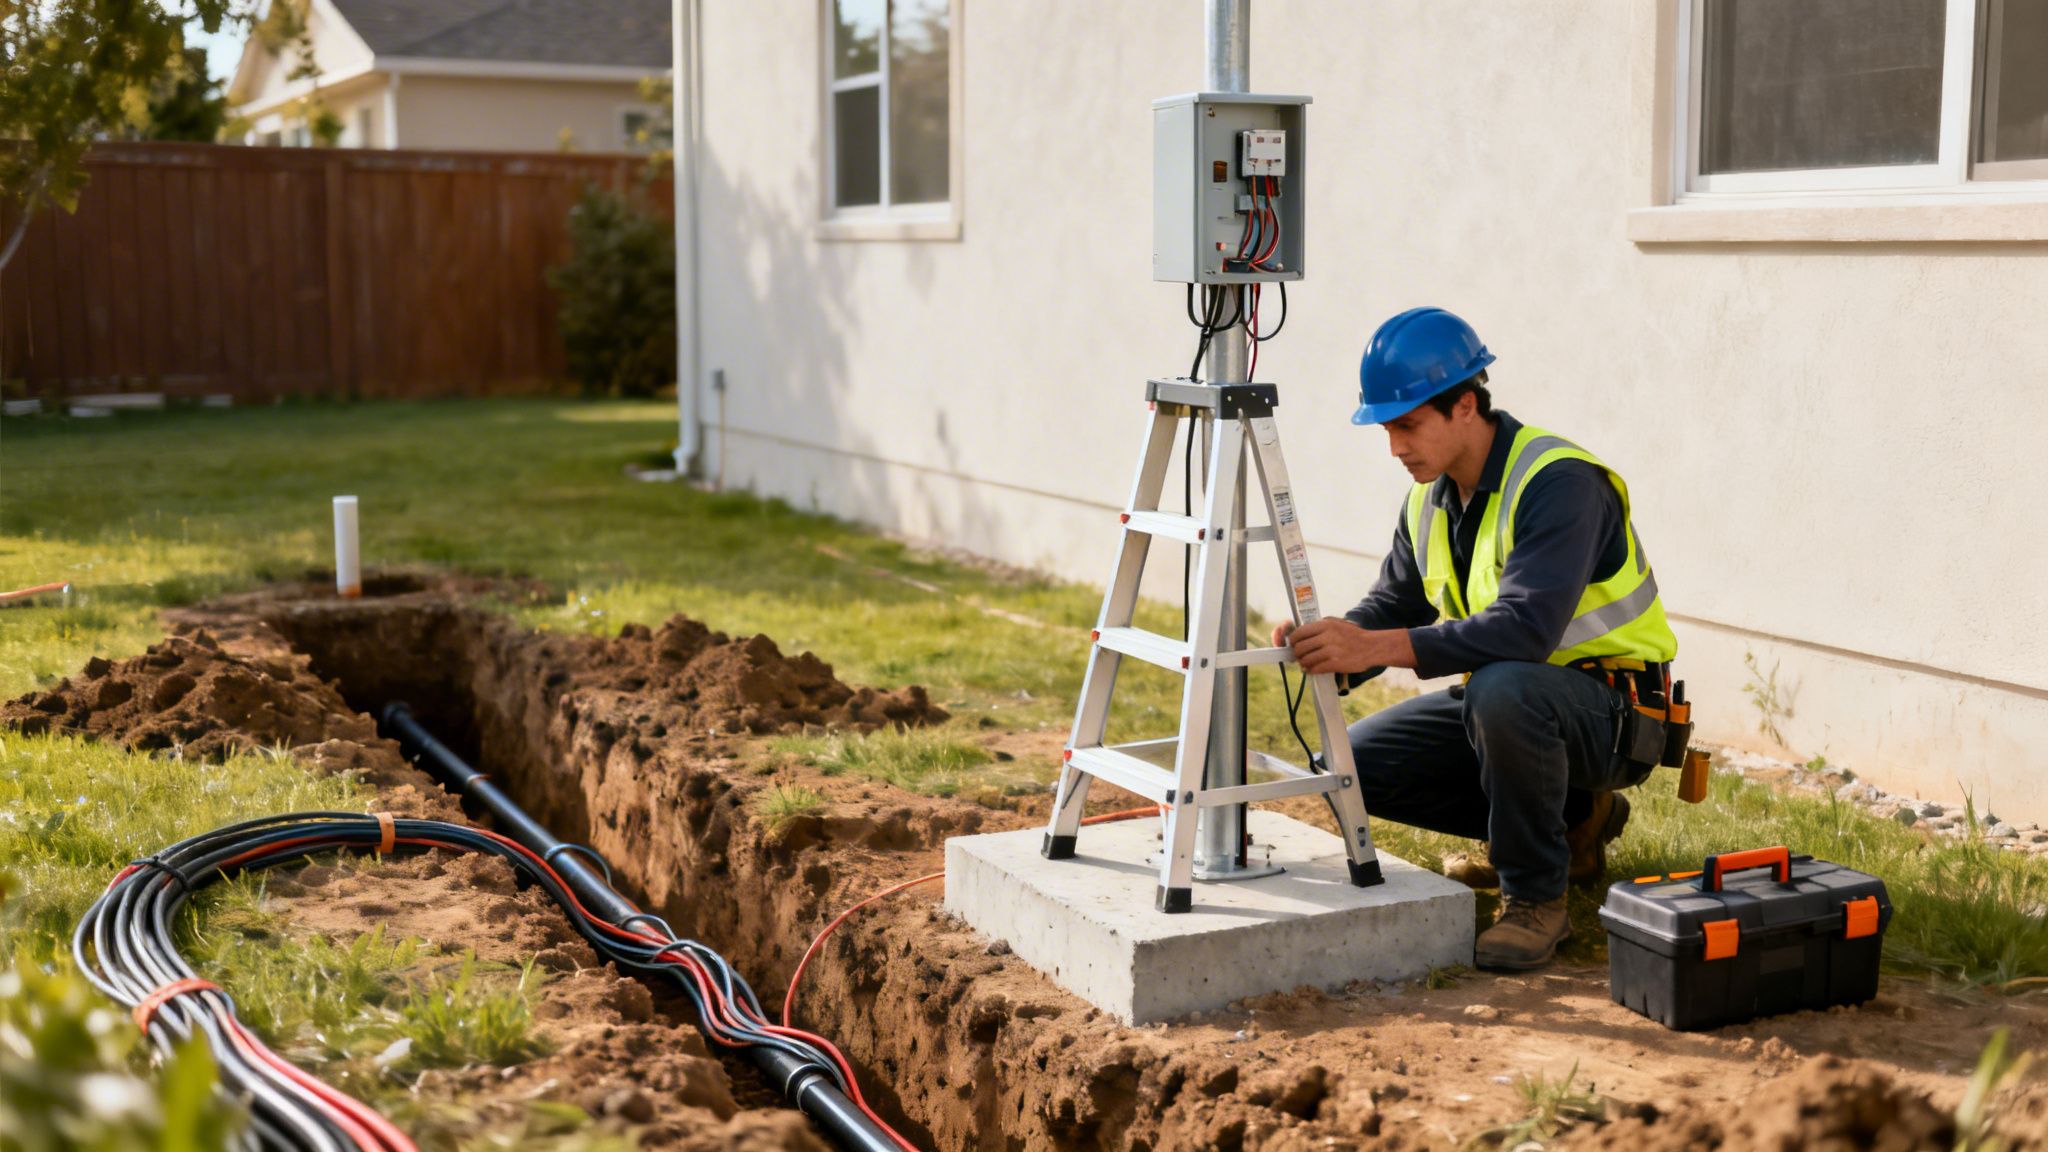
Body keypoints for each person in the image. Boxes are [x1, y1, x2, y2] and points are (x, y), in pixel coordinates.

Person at [1275, 307, 1679, 971]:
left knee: (1502, 686)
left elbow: (1525, 629)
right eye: (1386, 429)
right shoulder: (1429, 496)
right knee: (1350, 766)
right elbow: (1395, 601)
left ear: (1465, 406)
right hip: (1514, 707)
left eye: (1407, 425)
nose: (1395, 447)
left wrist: (1374, 648)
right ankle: (1574, 821)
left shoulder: (1560, 483)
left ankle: (1535, 898)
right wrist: (1335, 645)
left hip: (1614, 715)